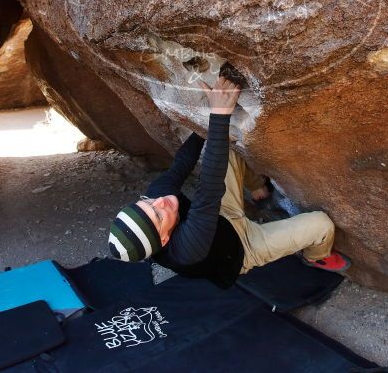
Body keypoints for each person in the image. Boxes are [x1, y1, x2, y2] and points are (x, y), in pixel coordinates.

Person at [107, 73, 351, 288]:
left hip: (221, 215)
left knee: (229, 149)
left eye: (148, 205)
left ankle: (256, 187)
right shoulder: (186, 251)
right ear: (164, 239)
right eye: (158, 216)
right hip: (243, 248)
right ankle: (316, 256)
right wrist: (219, 114)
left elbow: (182, 163)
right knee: (321, 224)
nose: (161, 203)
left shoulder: (157, 198)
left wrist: (201, 122)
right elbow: (208, 191)